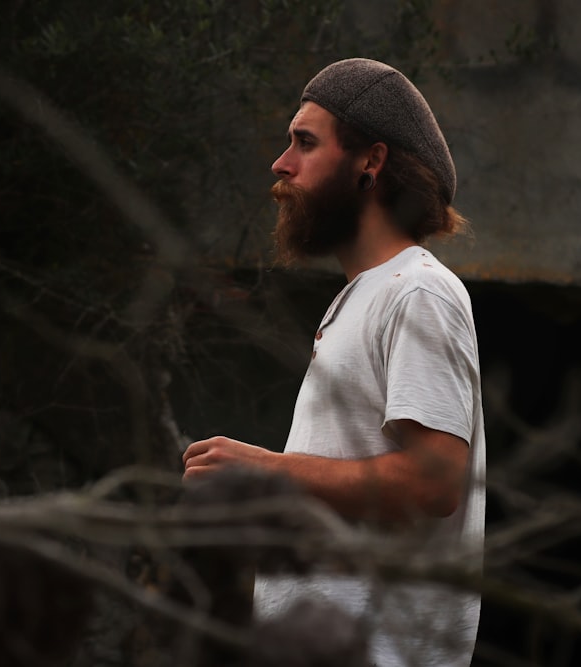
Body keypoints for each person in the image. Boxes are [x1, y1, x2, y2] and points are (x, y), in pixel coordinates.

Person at [182, 58, 485, 667]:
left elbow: (435, 481)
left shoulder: (418, 293)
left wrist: (267, 470)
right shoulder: (363, 297)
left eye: (304, 142)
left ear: (370, 162)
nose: (280, 163)